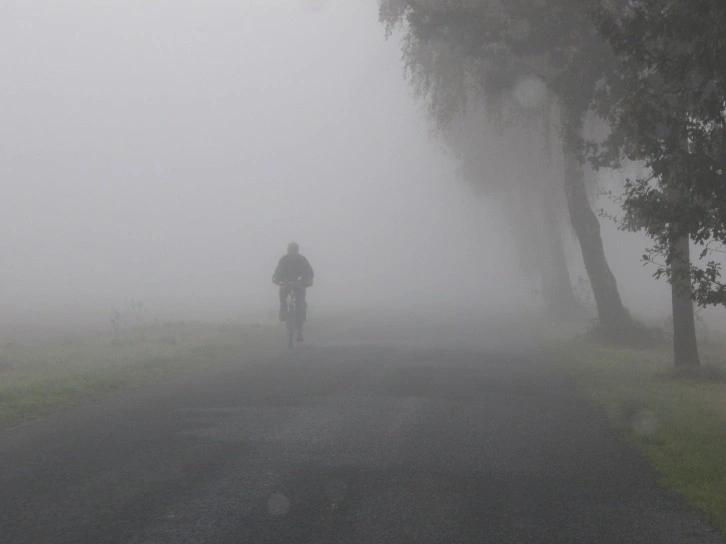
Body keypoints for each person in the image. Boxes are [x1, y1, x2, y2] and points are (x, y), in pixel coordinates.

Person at [272, 243, 314, 339]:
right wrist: (276, 279)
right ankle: (283, 312)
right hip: (286, 284)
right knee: (282, 294)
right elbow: (278, 271)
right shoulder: (284, 259)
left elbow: (308, 272)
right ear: (288, 250)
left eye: (293, 250)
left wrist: (307, 280)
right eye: (290, 250)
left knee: (300, 305)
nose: (292, 252)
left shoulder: (302, 260)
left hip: (299, 285)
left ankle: (300, 329)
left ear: (297, 250)